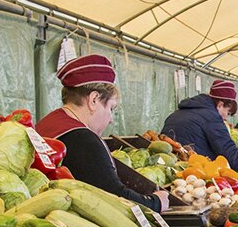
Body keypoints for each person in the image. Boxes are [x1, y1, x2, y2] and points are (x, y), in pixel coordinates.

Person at [35, 54, 169, 211]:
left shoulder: (46, 124)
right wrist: (155, 202)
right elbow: (113, 196)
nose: (111, 119)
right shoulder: (83, 140)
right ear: (93, 100)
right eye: (111, 108)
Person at [161, 80, 238, 178]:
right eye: (227, 112)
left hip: (168, 171)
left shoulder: (178, 112)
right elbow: (232, 156)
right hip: (191, 175)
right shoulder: (211, 117)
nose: (225, 118)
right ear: (220, 105)